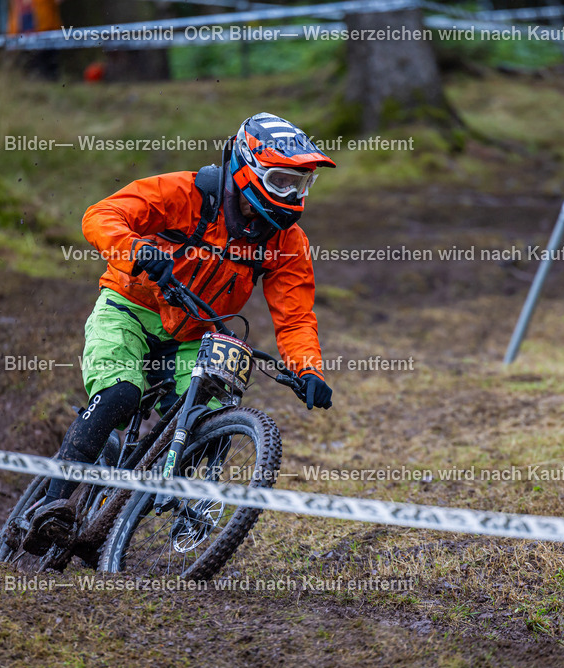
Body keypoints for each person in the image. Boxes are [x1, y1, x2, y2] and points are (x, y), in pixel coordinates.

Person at [22, 112, 335, 554]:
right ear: (248, 171)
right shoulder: (184, 194)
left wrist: (308, 370)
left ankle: (120, 520)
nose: (292, 195)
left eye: (301, 185)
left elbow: (296, 316)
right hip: (130, 308)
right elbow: (101, 215)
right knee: (119, 396)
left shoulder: (287, 242)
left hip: (195, 334)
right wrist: (135, 250)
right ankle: (46, 507)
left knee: (201, 419)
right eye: (282, 181)